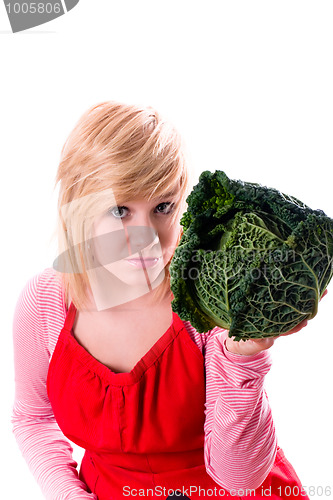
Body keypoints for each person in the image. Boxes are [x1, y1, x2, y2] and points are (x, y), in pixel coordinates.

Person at [12, 100, 313, 500]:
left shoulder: (207, 305)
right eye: (120, 209)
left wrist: (243, 360)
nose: (147, 237)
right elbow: (33, 420)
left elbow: (239, 476)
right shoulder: (45, 303)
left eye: (162, 207)